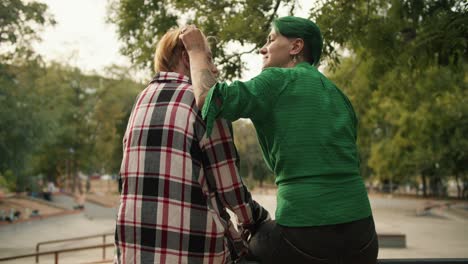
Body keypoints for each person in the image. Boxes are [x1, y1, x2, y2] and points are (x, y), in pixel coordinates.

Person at [180, 16, 378, 264]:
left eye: (271, 39)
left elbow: (209, 97)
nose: (263, 48)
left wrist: (196, 50)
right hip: (364, 239)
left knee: (250, 244)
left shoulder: (276, 80)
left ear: (296, 47)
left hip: (306, 238)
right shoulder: (338, 95)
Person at [114, 27, 269, 264]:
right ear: (188, 58)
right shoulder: (206, 103)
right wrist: (256, 219)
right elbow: (230, 190)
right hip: (194, 253)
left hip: (132, 253)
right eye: (208, 59)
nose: (214, 68)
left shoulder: (142, 99)